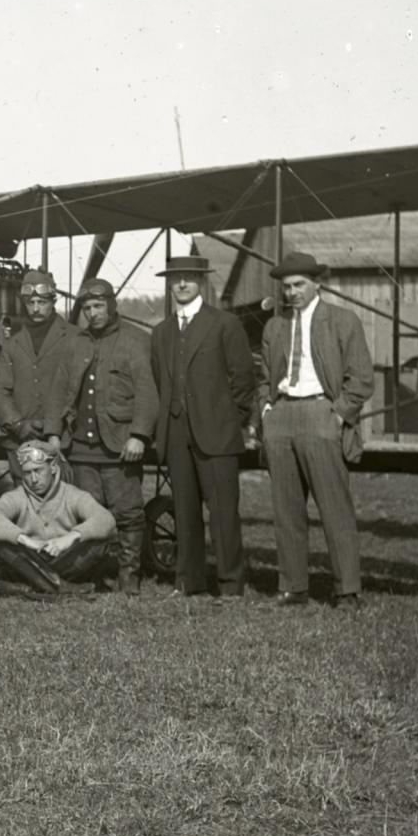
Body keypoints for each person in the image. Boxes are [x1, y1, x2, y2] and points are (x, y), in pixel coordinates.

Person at [259, 252, 375, 606]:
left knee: (334, 507)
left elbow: (361, 378)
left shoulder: (342, 320)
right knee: (286, 508)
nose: (292, 292)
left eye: (299, 285)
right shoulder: (275, 326)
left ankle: (347, 589)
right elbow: (264, 376)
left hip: (321, 413)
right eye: (287, 287)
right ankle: (294, 586)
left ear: (317, 284)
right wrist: (267, 410)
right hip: (282, 416)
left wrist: (338, 415)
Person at [149, 256, 257, 599]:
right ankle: (188, 582)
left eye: (189, 278)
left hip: (217, 434)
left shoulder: (224, 324)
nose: (182, 284)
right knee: (184, 511)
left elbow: (244, 380)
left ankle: (230, 585)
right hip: (176, 433)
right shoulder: (161, 332)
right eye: (176, 278)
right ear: (170, 283)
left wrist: (229, 420)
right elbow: (160, 380)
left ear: (202, 282)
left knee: (223, 513)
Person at [44, 278, 157, 593]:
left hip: (121, 445)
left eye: (98, 306)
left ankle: (129, 577)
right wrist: (54, 433)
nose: (92, 313)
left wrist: (139, 435)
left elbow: (148, 393)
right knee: (88, 513)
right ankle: (93, 573)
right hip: (81, 447)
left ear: (112, 305)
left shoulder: (135, 341)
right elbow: (58, 391)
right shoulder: (75, 343)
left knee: (128, 513)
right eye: (87, 308)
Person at [0, 439, 117, 599]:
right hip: (30, 562)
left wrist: (70, 538)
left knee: (100, 539)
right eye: (28, 473)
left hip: (66, 562)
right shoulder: (17, 496)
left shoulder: (73, 494)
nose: (34, 479)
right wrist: (24, 539)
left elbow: (106, 519)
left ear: (52, 467)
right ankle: (62, 587)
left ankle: (31, 587)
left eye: (38, 470)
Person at [0, 270, 78, 477]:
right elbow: (0, 388)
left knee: (62, 493)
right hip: (20, 439)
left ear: (53, 301)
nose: (36, 308)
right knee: (23, 494)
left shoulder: (74, 337)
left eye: (42, 302)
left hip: (62, 439)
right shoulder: (13, 343)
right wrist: (16, 424)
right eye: (31, 303)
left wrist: (55, 427)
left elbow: (77, 389)